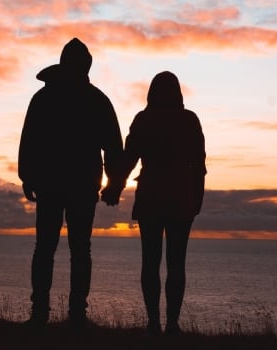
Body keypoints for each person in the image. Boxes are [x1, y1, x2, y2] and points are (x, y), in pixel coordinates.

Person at [18, 38, 124, 329]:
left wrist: (27, 175)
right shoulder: (96, 100)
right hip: (78, 184)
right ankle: (73, 313)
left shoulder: (45, 98)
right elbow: (113, 146)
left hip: (55, 183)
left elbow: (30, 140)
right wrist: (113, 184)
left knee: (47, 248)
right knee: (77, 249)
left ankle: (44, 312)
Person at [103, 71, 206, 335]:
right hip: (181, 199)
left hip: (151, 197)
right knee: (176, 262)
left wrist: (114, 188)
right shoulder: (189, 120)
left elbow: (128, 160)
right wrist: (196, 199)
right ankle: (171, 324)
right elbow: (199, 166)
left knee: (150, 262)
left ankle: (154, 323)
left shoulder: (144, 119)